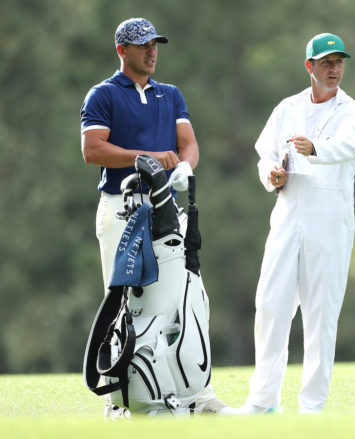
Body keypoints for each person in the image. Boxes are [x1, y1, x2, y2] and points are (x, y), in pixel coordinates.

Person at [80, 17, 227, 416]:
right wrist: (143, 159)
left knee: (189, 297)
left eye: (155, 44)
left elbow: (188, 144)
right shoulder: (104, 95)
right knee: (125, 306)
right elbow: (92, 149)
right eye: (142, 45)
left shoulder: (170, 94)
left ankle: (199, 396)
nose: (151, 51)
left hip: (165, 209)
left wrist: (184, 168)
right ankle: (120, 403)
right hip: (121, 210)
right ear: (121, 51)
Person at [227, 33, 355, 415]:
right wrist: (271, 175)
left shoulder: (354, 113)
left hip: (330, 220)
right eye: (326, 62)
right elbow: (266, 156)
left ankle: (311, 408)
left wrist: (314, 148)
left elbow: (349, 147)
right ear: (310, 66)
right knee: (270, 306)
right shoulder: (287, 108)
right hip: (289, 215)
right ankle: (262, 401)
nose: (334, 68)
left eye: (339, 61)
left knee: (321, 315)